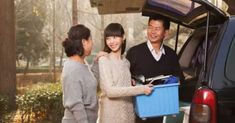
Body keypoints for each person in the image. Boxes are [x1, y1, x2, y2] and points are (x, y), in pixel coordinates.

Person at [126, 16, 184, 123]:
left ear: (165, 33)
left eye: (157, 29)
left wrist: (175, 80)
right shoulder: (134, 52)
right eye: (150, 27)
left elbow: (180, 79)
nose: (152, 32)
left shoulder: (171, 55)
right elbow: (123, 78)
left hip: (163, 112)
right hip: (141, 113)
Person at [97, 23, 153, 123]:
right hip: (111, 117)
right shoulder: (104, 60)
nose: (111, 41)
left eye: (115, 37)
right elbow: (110, 91)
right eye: (108, 38)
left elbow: (122, 85)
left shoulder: (126, 62)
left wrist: (133, 83)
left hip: (128, 116)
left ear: (123, 37)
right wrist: (141, 89)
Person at [61, 24, 98, 123]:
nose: (92, 43)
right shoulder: (72, 69)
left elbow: (90, 81)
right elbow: (75, 104)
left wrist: (97, 62)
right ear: (84, 42)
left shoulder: (82, 63)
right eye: (90, 40)